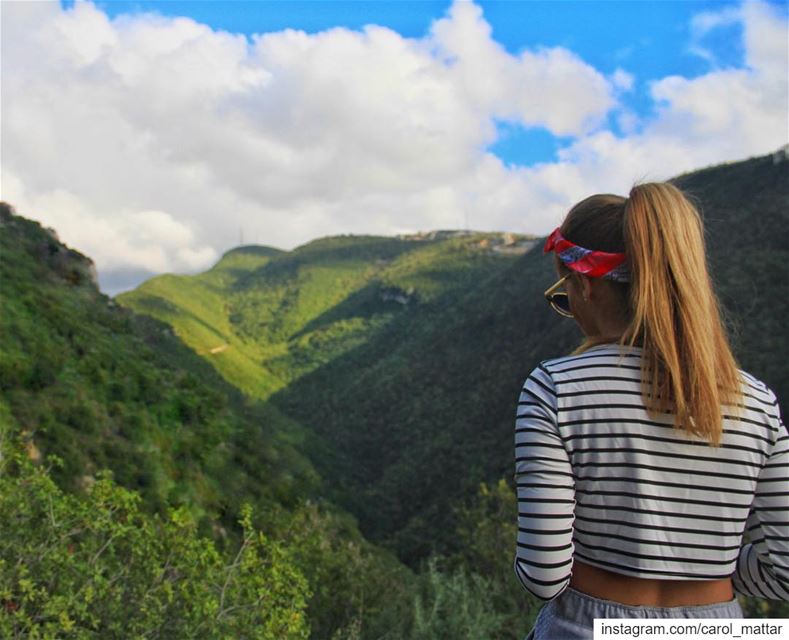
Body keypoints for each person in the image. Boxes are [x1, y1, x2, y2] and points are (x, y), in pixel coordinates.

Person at [513, 183, 788, 639]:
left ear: (584, 283)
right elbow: (782, 570)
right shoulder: (756, 402)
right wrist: (702, 573)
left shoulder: (554, 389)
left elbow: (544, 575)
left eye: (566, 292)